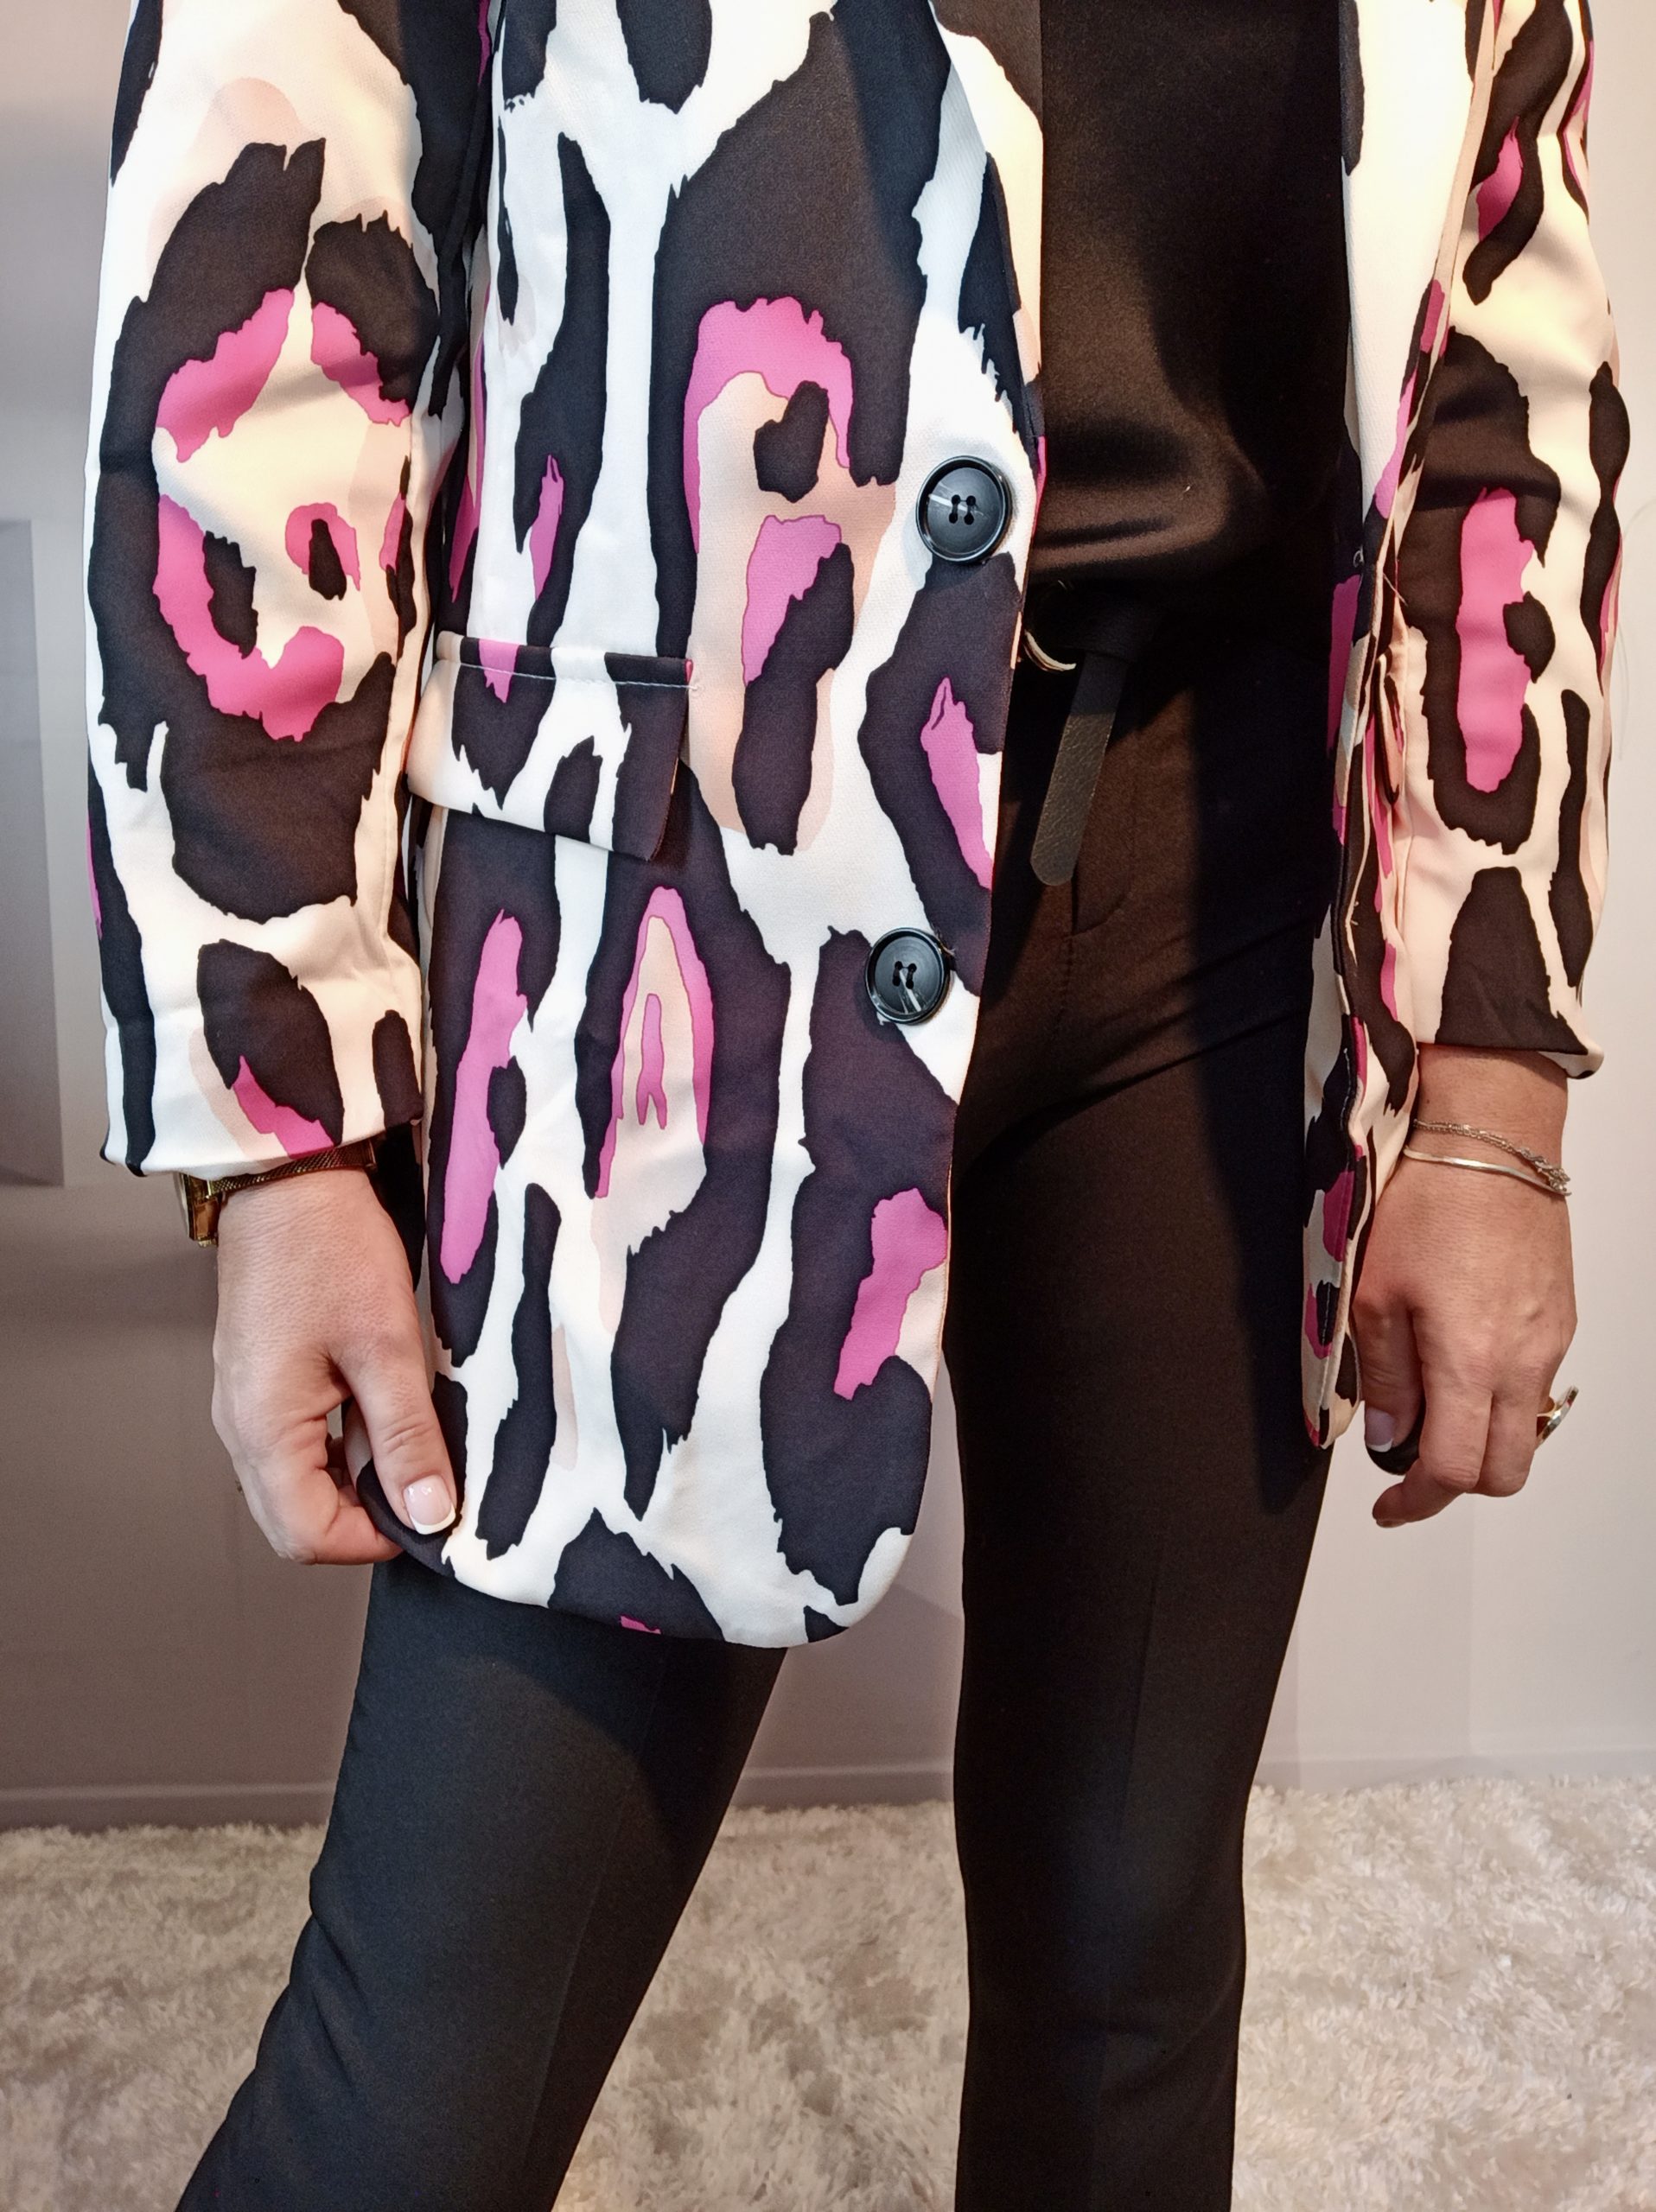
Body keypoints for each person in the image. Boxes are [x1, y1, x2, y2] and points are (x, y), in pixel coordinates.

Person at [84, 0, 1625, 2204]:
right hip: (660, 930)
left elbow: (1499, 342)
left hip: (1224, 890)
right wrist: (284, 1120)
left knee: (1127, 1954)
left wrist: (1484, 1070)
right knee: (413, 2095)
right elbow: (253, 312)